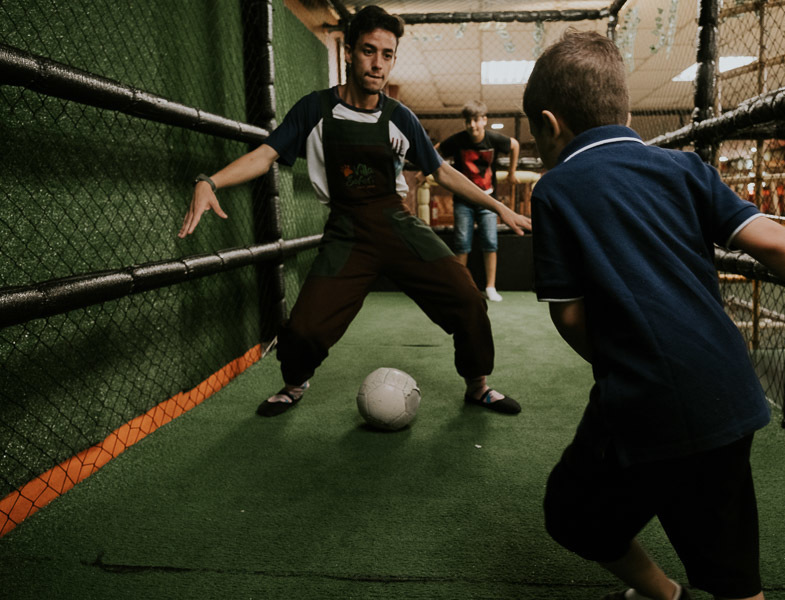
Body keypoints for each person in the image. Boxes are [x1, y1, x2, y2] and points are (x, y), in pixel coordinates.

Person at [522, 30, 785, 600]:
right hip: (728, 393)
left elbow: (571, 320)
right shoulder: (683, 169)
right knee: (733, 576)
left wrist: (631, 358)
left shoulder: (555, 191)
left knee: (572, 514)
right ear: (624, 108)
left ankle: (664, 595)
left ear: (550, 125)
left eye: (537, 136)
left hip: (644, 404)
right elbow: (774, 243)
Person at [179, 6, 530, 418]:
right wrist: (211, 181)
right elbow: (265, 154)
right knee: (303, 330)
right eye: (368, 51)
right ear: (348, 52)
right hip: (346, 230)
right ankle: (294, 385)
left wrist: (497, 205)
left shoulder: (401, 118)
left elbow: (443, 172)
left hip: (395, 222)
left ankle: (478, 386)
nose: (377, 63)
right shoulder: (315, 110)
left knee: (468, 297)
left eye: (387, 54)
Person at [436, 100, 520, 302]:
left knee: (490, 241)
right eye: (468, 121)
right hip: (463, 200)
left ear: (484, 120)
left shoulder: (492, 139)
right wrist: (427, 171)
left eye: (475, 120)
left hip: (488, 199)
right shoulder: (458, 140)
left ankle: (490, 286)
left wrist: (511, 172)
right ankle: (461, 287)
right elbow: (435, 150)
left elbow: (515, 144)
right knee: (462, 243)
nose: (472, 125)